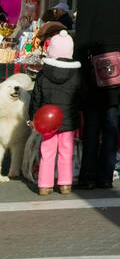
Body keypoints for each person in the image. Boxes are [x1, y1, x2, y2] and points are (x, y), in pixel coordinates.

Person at [72, 0, 120, 190]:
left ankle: (88, 176)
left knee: (92, 124)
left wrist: (78, 64)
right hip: (115, 69)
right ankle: (106, 175)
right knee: (110, 123)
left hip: (91, 70)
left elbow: (83, 38)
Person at [29, 29, 82, 196]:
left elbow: (36, 98)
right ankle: (65, 184)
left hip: (48, 121)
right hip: (68, 119)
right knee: (67, 152)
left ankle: (44, 184)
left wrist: (32, 118)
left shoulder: (44, 74)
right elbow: (81, 98)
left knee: (47, 151)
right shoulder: (77, 74)